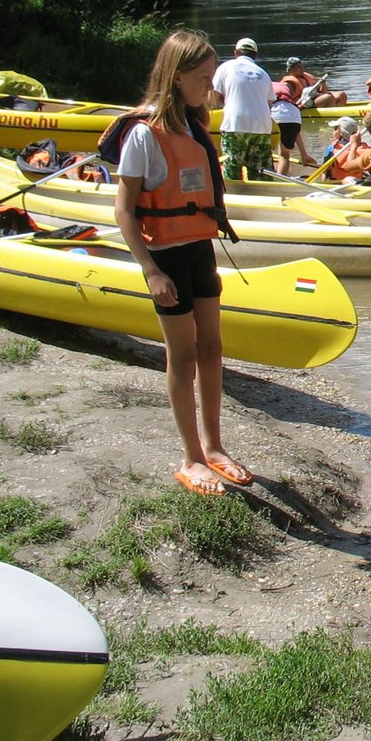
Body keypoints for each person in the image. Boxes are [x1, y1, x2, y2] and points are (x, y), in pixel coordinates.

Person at [107, 30, 250, 497]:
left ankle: (214, 446)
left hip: (198, 249)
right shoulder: (144, 136)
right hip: (166, 258)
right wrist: (150, 270)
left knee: (211, 349)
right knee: (182, 355)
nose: (210, 88)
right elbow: (124, 211)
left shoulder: (194, 125)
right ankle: (190, 458)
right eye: (204, 78)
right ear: (177, 76)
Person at [209, 36, 273, 181]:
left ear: (236, 53)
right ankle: (264, 198)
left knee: (232, 168)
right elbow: (269, 104)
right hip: (262, 126)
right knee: (260, 173)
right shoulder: (263, 73)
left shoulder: (225, 67)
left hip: (235, 124)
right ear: (255, 55)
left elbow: (213, 97)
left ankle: (233, 197)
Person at [269, 70, 319, 175]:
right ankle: (281, 180)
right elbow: (296, 133)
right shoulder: (285, 90)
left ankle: (269, 178)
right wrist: (303, 154)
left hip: (274, 113)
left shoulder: (266, 85)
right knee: (284, 154)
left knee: (264, 150)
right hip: (294, 114)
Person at [283, 57, 347, 108]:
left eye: (301, 66)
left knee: (341, 94)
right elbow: (285, 99)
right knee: (328, 97)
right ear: (291, 70)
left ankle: (341, 115)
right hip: (303, 104)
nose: (301, 68)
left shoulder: (308, 76)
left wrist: (323, 84)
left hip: (315, 99)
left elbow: (322, 92)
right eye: (298, 67)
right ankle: (332, 116)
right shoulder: (289, 83)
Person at [319, 115, 360, 182]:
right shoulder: (361, 148)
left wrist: (323, 185)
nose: (333, 132)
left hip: (337, 183)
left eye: (335, 129)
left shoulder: (332, 148)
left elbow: (324, 171)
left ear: (341, 133)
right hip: (356, 183)